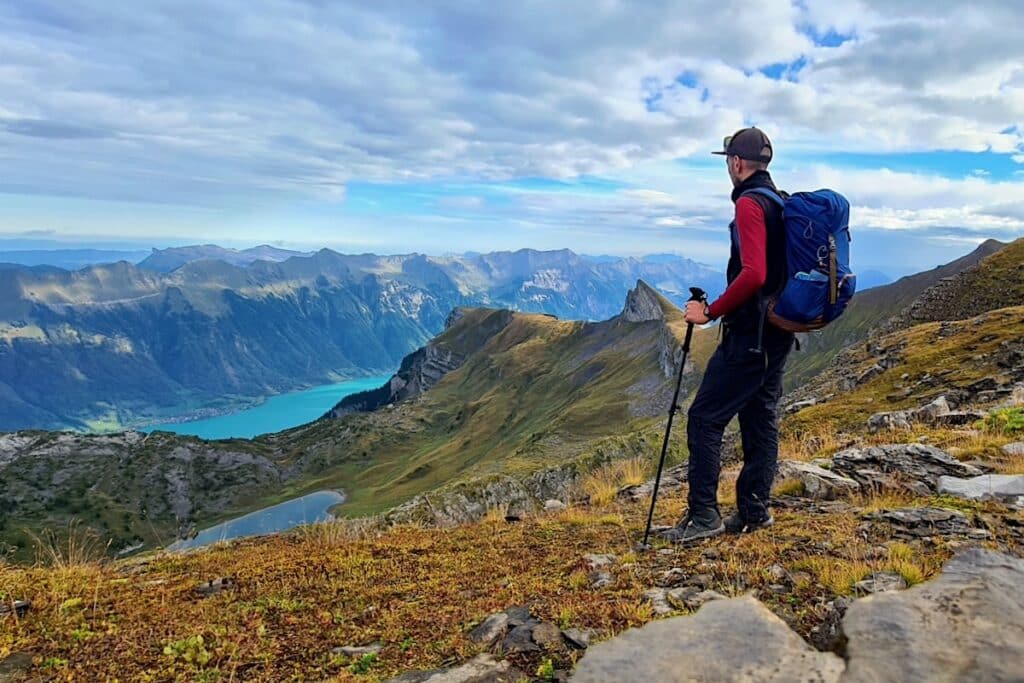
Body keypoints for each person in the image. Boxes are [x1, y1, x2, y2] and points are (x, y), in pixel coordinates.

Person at [661, 127, 795, 544]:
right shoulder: (780, 202)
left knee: (704, 419)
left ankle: (704, 516)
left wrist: (711, 312)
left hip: (750, 337)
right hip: (777, 332)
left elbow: (753, 273)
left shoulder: (750, 205)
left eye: (727, 161)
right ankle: (755, 511)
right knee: (760, 418)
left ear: (736, 163)